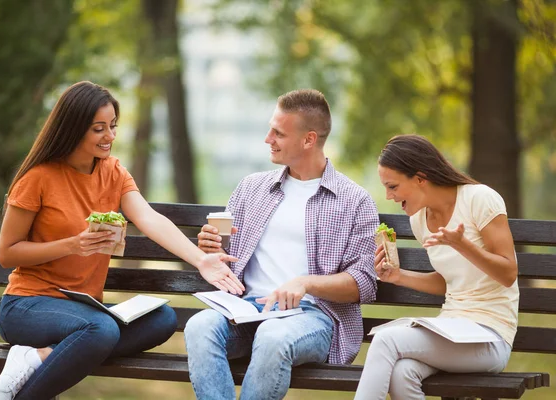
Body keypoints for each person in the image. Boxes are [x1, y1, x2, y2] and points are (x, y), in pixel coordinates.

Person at [0, 81, 244, 400]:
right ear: (73, 128)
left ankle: (37, 357)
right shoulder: (38, 178)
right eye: (99, 129)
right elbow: (7, 253)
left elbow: (149, 218)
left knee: (162, 318)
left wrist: (200, 259)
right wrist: (72, 244)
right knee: (101, 330)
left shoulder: (113, 173)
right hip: (27, 306)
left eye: (112, 126)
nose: (110, 136)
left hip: (83, 310)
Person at [184, 89, 379, 400]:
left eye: (278, 133)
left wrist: (305, 284)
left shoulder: (354, 201)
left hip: (311, 317)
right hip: (247, 310)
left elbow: (364, 284)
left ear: (308, 140)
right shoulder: (252, 188)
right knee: (199, 326)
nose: (267, 139)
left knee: (274, 336)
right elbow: (226, 253)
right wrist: (212, 247)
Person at [354, 134, 519, 400]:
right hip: (451, 328)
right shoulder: (420, 219)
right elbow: (448, 281)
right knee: (402, 372)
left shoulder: (480, 199)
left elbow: (508, 274)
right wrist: (398, 276)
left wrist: (463, 244)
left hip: (490, 336)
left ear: (420, 179)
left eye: (393, 186)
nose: (389, 196)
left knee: (386, 340)